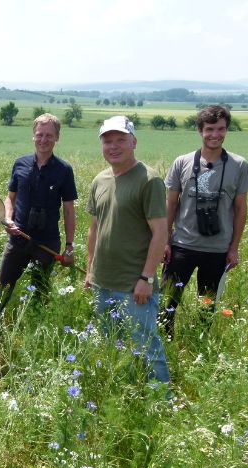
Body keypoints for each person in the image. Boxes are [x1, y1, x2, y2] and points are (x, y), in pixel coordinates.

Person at [85, 116, 170, 385]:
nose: (114, 146)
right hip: (103, 282)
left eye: (121, 139)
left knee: (147, 346)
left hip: (134, 285)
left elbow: (160, 232)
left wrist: (146, 278)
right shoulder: (99, 180)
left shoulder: (149, 180)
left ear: (134, 141)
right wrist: (89, 271)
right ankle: (125, 391)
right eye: (107, 141)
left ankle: (161, 399)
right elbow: (94, 228)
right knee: (113, 344)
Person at [160, 105, 248, 338]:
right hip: (182, 245)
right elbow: (170, 204)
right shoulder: (182, 162)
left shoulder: (239, 165)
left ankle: (199, 345)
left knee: (207, 306)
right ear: (199, 130)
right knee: (166, 304)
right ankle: (165, 345)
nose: (215, 135)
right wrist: (165, 240)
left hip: (218, 249)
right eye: (210, 129)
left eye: (221, 129)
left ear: (226, 130)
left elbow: (241, 208)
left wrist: (234, 248)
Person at [0, 113, 77, 329]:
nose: (43, 140)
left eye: (49, 135)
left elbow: (68, 210)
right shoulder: (20, 164)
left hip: (46, 244)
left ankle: (34, 332)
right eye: (39, 135)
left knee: (40, 292)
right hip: (18, 239)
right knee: (2, 287)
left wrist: (69, 246)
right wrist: (8, 219)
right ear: (33, 136)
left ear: (57, 138)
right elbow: (10, 198)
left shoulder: (64, 170)